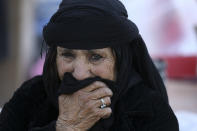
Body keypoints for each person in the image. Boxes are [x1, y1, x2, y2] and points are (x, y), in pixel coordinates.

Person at [0, 0, 179, 131]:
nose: (79, 74)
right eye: (67, 55)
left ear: (120, 60)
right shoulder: (32, 95)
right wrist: (65, 127)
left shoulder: (148, 110)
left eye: (95, 57)